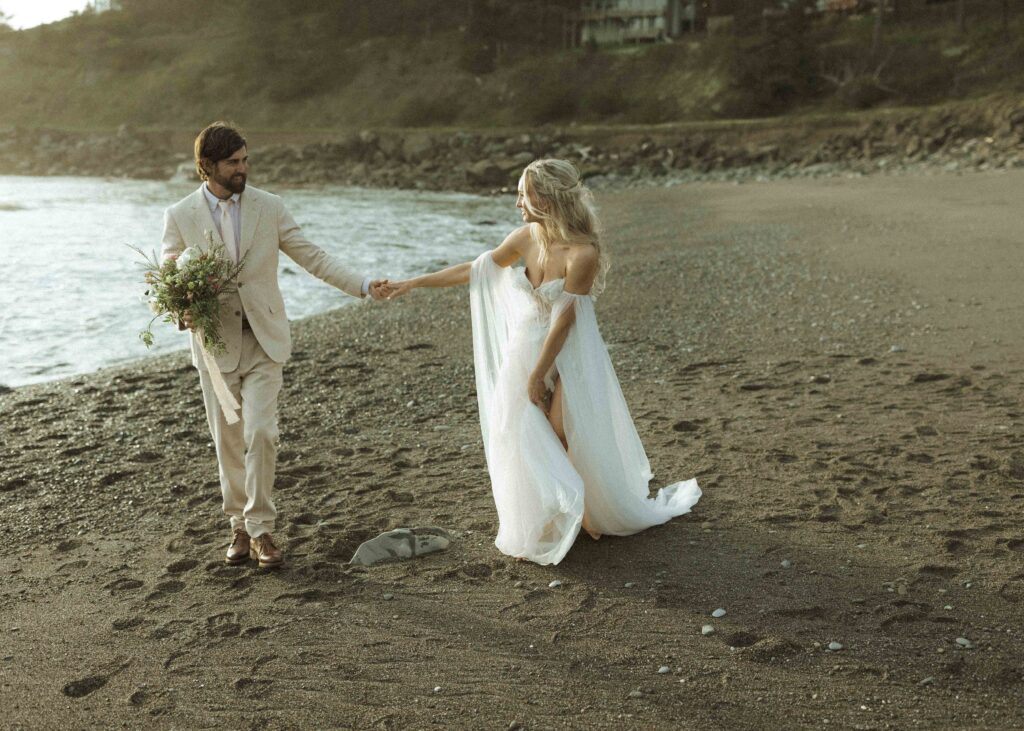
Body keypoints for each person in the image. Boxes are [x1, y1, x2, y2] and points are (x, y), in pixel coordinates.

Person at [383, 159, 700, 565]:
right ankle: (555, 510)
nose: (517, 202)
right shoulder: (524, 238)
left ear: (547, 199)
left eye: (524, 195)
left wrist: (540, 375)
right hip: (525, 346)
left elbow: (565, 319)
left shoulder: (582, 252)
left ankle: (586, 509)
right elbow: (477, 269)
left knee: (561, 427)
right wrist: (413, 282)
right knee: (521, 431)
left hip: (570, 351)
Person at [160, 122, 388, 568]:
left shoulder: (270, 207)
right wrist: (179, 308)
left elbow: (312, 256)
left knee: (261, 433)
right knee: (228, 442)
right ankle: (238, 528)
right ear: (207, 167)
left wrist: (363, 285)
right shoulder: (180, 214)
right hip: (214, 346)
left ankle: (262, 528)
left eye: (245, 160)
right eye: (233, 163)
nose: (243, 169)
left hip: (265, 341)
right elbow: (168, 272)